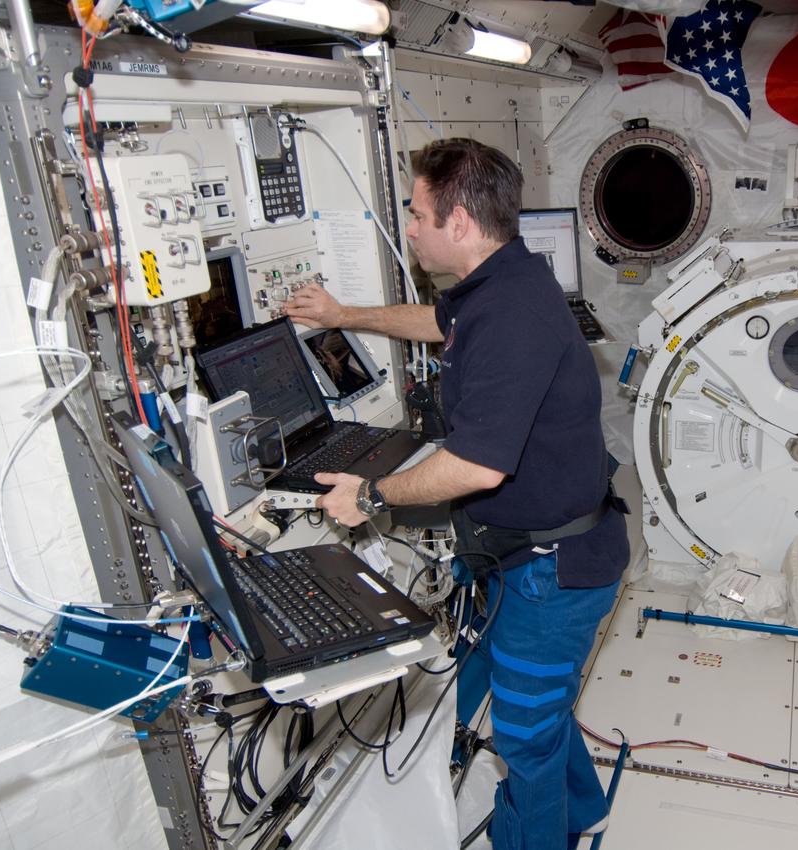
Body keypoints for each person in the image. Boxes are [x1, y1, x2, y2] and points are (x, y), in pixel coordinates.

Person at [287, 137, 629, 850]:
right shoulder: (499, 282)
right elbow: (437, 323)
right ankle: (583, 807)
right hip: (530, 555)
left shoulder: (509, 314)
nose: (409, 227)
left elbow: (476, 468)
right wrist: (343, 314)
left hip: (553, 572)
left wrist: (373, 495)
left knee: (524, 736)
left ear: (460, 223)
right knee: (539, 708)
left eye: (416, 214)